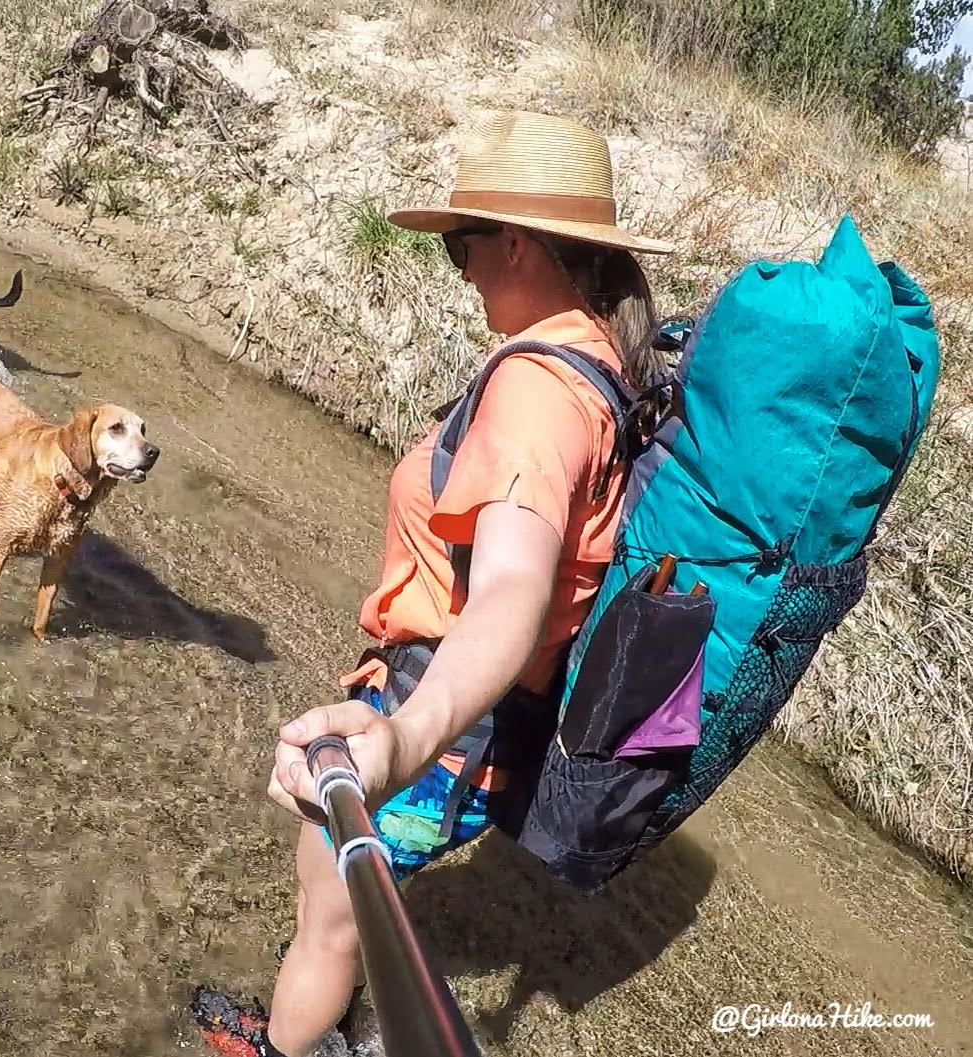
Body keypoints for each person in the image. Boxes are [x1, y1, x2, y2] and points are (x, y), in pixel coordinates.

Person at [193, 110, 675, 1057]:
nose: (458, 268)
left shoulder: (536, 392)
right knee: (325, 898)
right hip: (474, 716)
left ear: (517, 245)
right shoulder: (596, 363)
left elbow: (510, 595)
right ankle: (318, 1026)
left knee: (330, 911)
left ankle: (284, 1047)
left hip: (443, 720)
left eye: (462, 246)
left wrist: (404, 737)